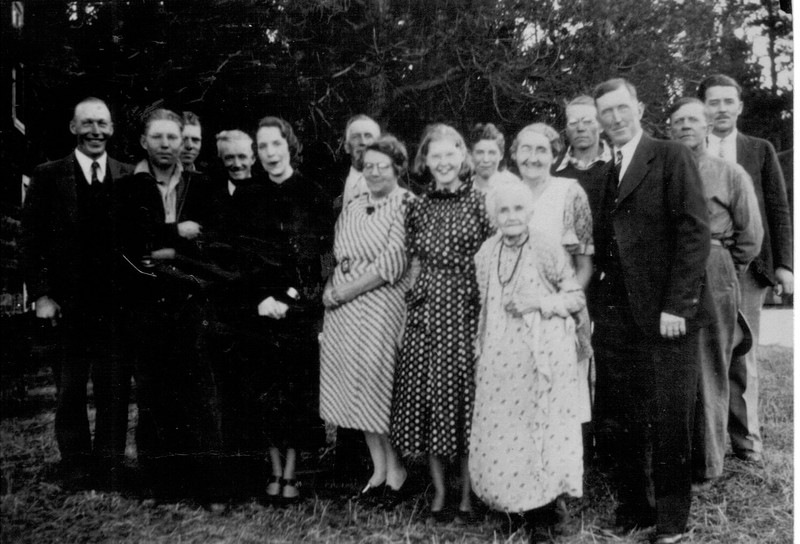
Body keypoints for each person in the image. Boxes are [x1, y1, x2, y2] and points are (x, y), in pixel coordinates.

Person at [590, 78, 710, 544]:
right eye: (607, 113)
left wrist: (678, 304)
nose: (615, 119)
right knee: (620, 417)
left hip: (667, 316)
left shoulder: (671, 156)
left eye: (622, 108)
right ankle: (635, 509)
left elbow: (694, 232)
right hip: (617, 319)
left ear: (639, 107)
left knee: (668, 418)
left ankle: (672, 522)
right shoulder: (605, 172)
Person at [21, 97, 133, 490]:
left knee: (114, 388)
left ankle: (109, 465)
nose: (95, 131)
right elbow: (30, 243)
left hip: (116, 305)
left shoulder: (128, 174)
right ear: (73, 128)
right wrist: (41, 295)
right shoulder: (48, 175)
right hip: (68, 306)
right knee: (69, 389)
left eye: (102, 123)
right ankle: (75, 464)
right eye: (87, 123)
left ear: (113, 128)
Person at [470, 179, 586, 542]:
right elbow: (485, 309)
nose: (511, 216)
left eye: (518, 209)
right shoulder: (485, 253)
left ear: (530, 211)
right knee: (505, 432)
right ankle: (513, 506)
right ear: (494, 216)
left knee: (540, 433)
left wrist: (538, 302)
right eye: (503, 210)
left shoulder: (547, 247)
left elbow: (574, 298)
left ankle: (547, 514)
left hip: (542, 360)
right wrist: (480, 350)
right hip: (500, 357)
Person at [390, 124, 493, 522]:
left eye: (451, 154)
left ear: (462, 158)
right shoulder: (416, 206)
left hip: (467, 309)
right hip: (427, 312)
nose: (444, 163)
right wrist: (407, 316)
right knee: (432, 399)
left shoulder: (482, 202)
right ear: (425, 162)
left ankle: (467, 494)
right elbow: (413, 263)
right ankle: (438, 492)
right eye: (436, 156)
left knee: (467, 401)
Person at [117, 108, 220, 501]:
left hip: (191, 300)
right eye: (157, 137)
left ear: (183, 141)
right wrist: (175, 233)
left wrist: (164, 252)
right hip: (144, 304)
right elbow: (127, 242)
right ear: (144, 141)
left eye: (172, 138)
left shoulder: (201, 187)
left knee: (198, 393)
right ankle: (159, 482)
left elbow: (210, 241)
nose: (166, 145)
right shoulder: (126, 186)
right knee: (154, 394)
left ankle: (205, 483)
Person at [227, 115, 330, 501]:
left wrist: (295, 302)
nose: (270, 153)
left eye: (276, 144)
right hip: (261, 309)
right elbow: (240, 257)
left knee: (297, 393)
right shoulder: (247, 196)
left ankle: (292, 473)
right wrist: (260, 298)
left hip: (299, 310)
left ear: (290, 146)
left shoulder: (313, 193)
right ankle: (273, 470)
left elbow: (320, 258)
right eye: (263, 146)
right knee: (267, 393)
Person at [698, 74, 793, 464]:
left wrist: (785, 264)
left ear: (740, 106)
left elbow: (779, 208)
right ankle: (708, 439)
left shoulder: (759, 149)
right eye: (713, 102)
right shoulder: (688, 149)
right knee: (706, 354)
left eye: (727, 101)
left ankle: (747, 439)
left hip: (750, 268)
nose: (720, 109)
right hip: (706, 269)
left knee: (742, 351)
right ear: (702, 107)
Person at [667, 97, 763, 486]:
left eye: (693, 119)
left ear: (707, 126)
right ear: (670, 130)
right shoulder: (665, 169)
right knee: (674, 368)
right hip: (670, 272)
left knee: (710, 367)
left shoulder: (729, 172)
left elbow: (750, 236)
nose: (686, 126)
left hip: (714, 268)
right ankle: (674, 458)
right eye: (678, 122)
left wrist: (722, 268)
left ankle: (707, 464)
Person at [319, 135, 415, 507]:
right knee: (354, 389)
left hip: (380, 303)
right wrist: (330, 285)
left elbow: (391, 264)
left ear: (398, 168)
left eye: (382, 165)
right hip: (344, 308)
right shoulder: (355, 204)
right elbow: (338, 251)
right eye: (368, 165)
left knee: (377, 390)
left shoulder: (406, 204)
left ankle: (398, 474)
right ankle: (378, 470)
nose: (374, 172)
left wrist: (345, 291)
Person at [510, 122, 593, 456]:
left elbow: (584, 266)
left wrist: (558, 307)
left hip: (561, 312)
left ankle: (563, 474)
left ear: (555, 155)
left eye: (541, 149)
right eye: (525, 149)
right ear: (514, 155)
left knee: (563, 396)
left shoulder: (570, 192)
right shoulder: (505, 193)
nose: (533, 157)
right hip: (516, 315)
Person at [552, 95, 612, 218]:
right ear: (566, 129)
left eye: (588, 122)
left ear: (601, 126)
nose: (580, 128)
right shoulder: (553, 170)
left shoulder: (621, 165)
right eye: (573, 123)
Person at [339, 114, 381, 209]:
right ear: (347, 147)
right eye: (356, 137)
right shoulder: (352, 184)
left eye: (368, 136)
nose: (363, 142)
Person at [468, 123, 517, 193]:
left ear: (501, 155)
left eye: (492, 153)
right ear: (471, 155)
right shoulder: (463, 188)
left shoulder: (513, 186)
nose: (486, 159)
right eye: (480, 152)